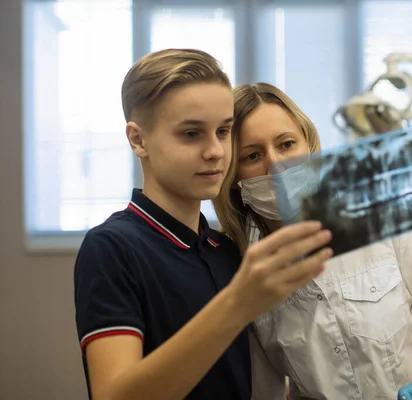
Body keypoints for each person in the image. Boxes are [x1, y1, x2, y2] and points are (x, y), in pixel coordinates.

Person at [73, 50, 333, 400]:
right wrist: (237, 303)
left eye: (224, 131)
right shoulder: (112, 248)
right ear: (138, 139)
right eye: (192, 134)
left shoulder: (227, 252)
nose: (215, 151)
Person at [213, 82, 412, 400]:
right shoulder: (247, 277)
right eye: (252, 155)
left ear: (310, 147)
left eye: (286, 144)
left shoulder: (385, 221)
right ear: (234, 177)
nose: (275, 165)